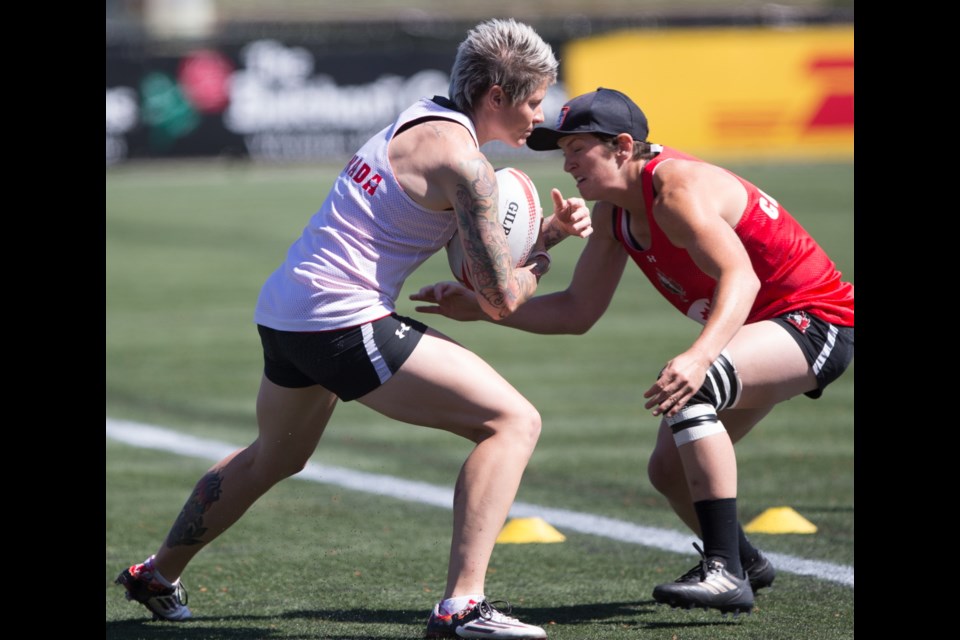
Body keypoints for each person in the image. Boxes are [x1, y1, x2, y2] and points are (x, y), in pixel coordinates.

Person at [114, 19, 592, 639]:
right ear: (496, 97)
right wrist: (544, 254)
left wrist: (527, 242)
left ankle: (156, 573)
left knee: (275, 456)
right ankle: (461, 607)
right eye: (532, 100)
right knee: (512, 421)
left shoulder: (421, 118)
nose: (540, 113)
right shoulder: (466, 165)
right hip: (343, 319)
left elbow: (468, 266)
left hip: (287, 312)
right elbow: (500, 298)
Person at [411, 87, 854, 616]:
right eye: (563, 150)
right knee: (668, 472)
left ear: (623, 146)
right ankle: (746, 560)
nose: (568, 162)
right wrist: (484, 307)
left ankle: (724, 572)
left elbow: (742, 277)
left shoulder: (675, 188)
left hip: (816, 319)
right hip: (757, 327)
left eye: (579, 148)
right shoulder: (613, 214)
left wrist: (700, 356)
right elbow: (577, 311)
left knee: (696, 389)